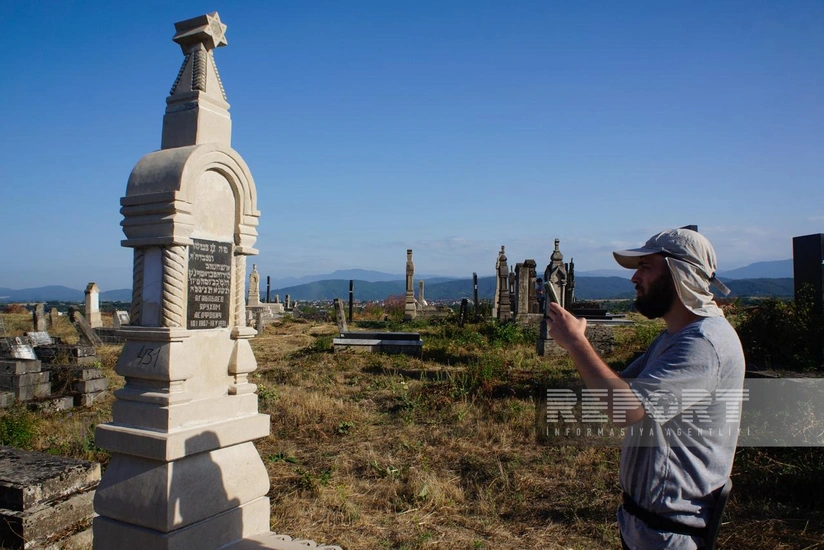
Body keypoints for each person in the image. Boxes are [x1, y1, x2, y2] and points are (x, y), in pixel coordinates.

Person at [546, 228, 745, 549]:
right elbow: (622, 387)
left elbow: (625, 409)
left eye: (645, 266)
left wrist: (575, 342)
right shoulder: (675, 336)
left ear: (680, 273)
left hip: (670, 531)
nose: (634, 278)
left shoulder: (704, 344)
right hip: (647, 524)